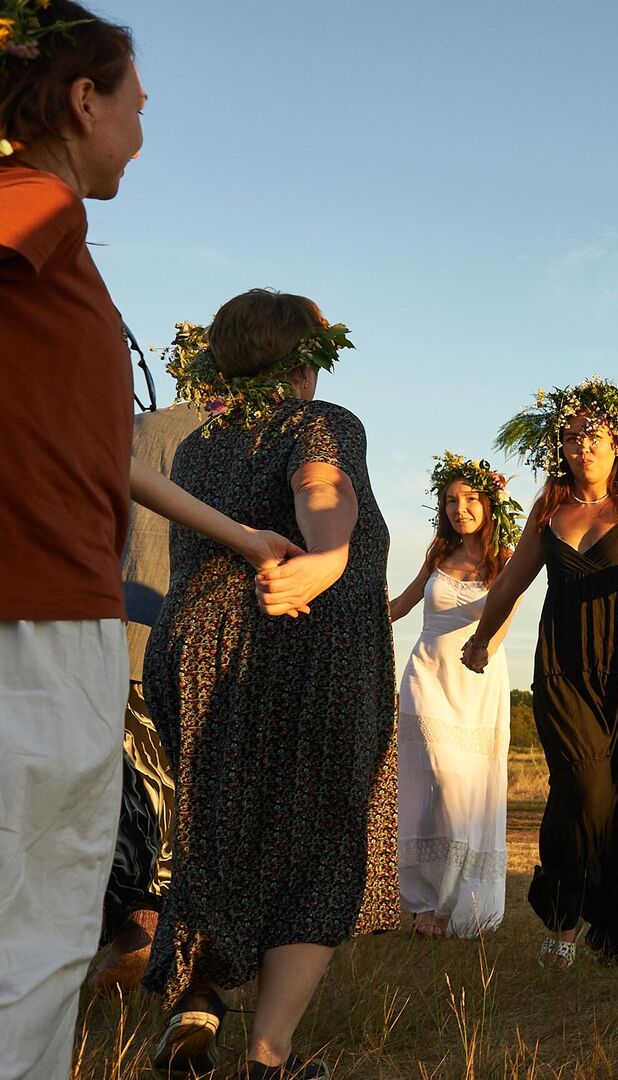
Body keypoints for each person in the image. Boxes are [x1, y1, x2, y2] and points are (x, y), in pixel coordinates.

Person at [0, 11, 299, 1078]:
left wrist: (243, 535)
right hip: (31, 611)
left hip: (63, 602)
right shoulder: (31, 204)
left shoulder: (57, 241)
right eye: (136, 106)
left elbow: (111, 457)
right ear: (84, 102)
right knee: (36, 911)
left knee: (52, 897)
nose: (141, 132)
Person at [143, 292, 398, 1080]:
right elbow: (324, 488)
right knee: (320, 844)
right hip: (296, 655)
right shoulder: (320, 422)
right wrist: (327, 558)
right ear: (302, 359)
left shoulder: (198, 446)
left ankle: (199, 1002)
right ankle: (268, 1056)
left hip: (190, 654)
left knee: (218, 832)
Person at [466, 376, 618, 968]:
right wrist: (480, 639)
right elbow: (510, 582)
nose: (584, 447)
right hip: (564, 665)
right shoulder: (549, 509)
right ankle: (563, 920)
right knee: (585, 786)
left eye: (595, 435)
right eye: (572, 438)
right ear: (561, 449)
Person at [388, 453, 524, 939]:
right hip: (428, 673)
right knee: (438, 782)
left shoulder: (506, 559)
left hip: (477, 676)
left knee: (466, 792)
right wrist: (357, 615)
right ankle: (426, 901)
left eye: (469, 500)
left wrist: (485, 646)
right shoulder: (437, 555)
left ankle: (454, 905)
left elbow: (506, 613)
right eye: (451, 500)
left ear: (490, 506)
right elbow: (404, 604)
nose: (459, 508)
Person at [95, 402, 205, 991]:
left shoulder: (137, 427)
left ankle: (131, 934)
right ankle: (143, 935)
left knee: (127, 800)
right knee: (167, 804)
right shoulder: (239, 440)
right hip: (190, 644)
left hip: (116, 632)